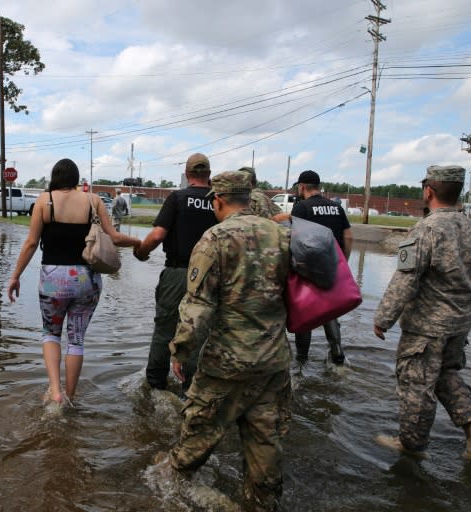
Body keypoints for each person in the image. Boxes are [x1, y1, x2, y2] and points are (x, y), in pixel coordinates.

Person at [167, 171, 292, 511]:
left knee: (193, 443)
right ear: (250, 199)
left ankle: (179, 493)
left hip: (227, 362)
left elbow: (199, 307)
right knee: (265, 447)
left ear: (218, 200)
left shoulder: (215, 239)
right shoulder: (280, 235)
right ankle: (261, 502)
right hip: (274, 361)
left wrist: (180, 351)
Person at [373, 165, 471, 459]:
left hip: (427, 327)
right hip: (460, 324)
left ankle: (412, 446)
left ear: (428, 191)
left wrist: (383, 318)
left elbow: (406, 279)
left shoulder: (426, 228)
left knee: (416, 384)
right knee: (444, 376)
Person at [7, 158, 141, 405]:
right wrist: (139, 243)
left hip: (52, 279)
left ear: (54, 176)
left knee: (51, 334)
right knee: (76, 339)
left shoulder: (44, 201)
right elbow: (114, 237)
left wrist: (15, 276)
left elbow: (31, 243)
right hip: (86, 280)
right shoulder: (93, 200)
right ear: (76, 178)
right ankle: (71, 395)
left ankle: (56, 392)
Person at [133, 153, 217, 391]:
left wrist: (141, 252)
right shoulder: (219, 201)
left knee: (165, 328)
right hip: (210, 277)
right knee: (200, 330)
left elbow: (158, 235)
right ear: (208, 175)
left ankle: (155, 385)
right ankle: (191, 386)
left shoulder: (177, 198)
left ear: (187, 174)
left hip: (178, 273)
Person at [290, 170, 353, 364]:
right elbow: (349, 236)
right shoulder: (336, 207)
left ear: (302, 186)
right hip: (332, 265)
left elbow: (294, 239)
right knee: (330, 311)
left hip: (307, 268)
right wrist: (344, 262)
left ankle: (301, 360)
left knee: (305, 314)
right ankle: (337, 353)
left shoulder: (302, 208)